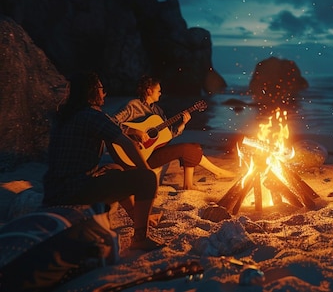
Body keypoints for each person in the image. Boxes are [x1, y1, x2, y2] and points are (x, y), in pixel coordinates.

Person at [43, 72, 162, 251]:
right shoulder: (91, 115)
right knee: (147, 179)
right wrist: (146, 171)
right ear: (92, 92)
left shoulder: (65, 116)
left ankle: (138, 218)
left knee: (114, 168)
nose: (104, 93)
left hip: (53, 189)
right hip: (76, 190)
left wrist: (131, 130)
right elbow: (127, 144)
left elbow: (114, 126)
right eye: (101, 89)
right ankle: (139, 239)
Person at [109, 75, 235, 190]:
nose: (160, 93)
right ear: (149, 91)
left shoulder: (157, 111)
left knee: (194, 146)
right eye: (158, 90)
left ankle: (189, 184)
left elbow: (168, 134)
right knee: (188, 149)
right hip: (134, 156)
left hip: (151, 154)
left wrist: (182, 124)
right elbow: (111, 122)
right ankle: (201, 180)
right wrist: (135, 131)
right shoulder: (133, 106)